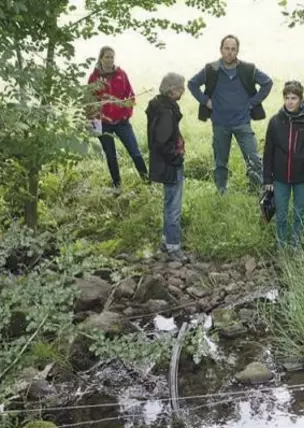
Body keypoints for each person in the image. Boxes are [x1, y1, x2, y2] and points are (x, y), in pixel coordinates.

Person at [188, 35, 273, 194]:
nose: (229, 52)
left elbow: (267, 82)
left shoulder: (248, 69)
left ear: (237, 51)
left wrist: (252, 102)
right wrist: (205, 101)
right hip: (220, 123)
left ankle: (256, 190)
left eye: (233, 49)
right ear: (221, 50)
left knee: (253, 158)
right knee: (220, 162)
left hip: (242, 122)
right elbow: (192, 84)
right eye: (226, 48)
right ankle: (221, 191)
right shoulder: (211, 69)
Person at [263, 80, 304, 249]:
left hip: (301, 177)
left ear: (301, 99)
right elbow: (268, 151)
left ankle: (296, 244)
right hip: (280, 177)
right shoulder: (275, 121)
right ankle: (281, 245)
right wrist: (268, 178)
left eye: (294, 98)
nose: (289, 102)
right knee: (281, 214)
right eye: (287, 98)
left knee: (299, 214)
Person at [88, 46, 149, 189]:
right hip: (104, 123)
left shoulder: (121, 74)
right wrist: (93, 121)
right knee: (111, 156)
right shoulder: (95, 77)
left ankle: (147, 182)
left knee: (135, 152)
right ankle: (117, 186)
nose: (109, 60)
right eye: (106, 57)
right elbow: (89, 100)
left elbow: (131, 95)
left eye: (111, 57)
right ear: (101, 58)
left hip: (122, 122)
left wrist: (127, 111)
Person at [145, 73, 188, 262]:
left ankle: (165, 241)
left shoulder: (159, 106)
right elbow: (162, 141)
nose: (183, 92)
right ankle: (173, 247)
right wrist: (177, 157)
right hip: (169, 165)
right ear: (172, 90)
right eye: (181, 88)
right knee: (173, 206)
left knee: (169, 202)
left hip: (162, 164)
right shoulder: (166, 112)